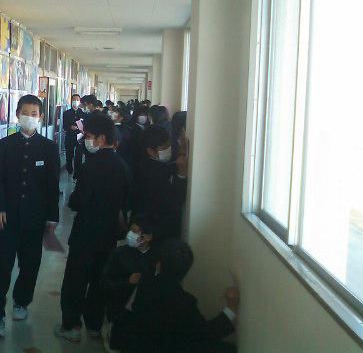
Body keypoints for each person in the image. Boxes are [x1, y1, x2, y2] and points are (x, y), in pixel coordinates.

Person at [0, 94, 61, 338]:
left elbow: (52, 185)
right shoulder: (5, 145)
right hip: (8, 218)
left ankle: (21, 301)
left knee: (30, 265)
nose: (29, 117)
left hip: (35, 219)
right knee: (4, 266)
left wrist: (52, 216)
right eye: (25, 113)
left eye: (34, 114)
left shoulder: (48, 148)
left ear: (40, 117)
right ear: (17, 115)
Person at [55, 113, 132, 343]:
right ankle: (94, 325)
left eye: (88, 136)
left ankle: (71, 326)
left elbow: (79, 200)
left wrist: (72, 200)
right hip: (108, 235)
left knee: (76, 281)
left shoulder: (91, 166)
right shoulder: (123, 166)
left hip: (85, 233)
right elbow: (126, 201)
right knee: (100, 281)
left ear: (101, 138)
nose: (86, 140)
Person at [110, 240, 239, 353]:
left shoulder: (143, 286)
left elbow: (127, 316)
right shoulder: (185, 303)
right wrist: (231, 307)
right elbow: (205, 335)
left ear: (158, 265)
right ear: (185, 271)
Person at [100, 216, 158, 328]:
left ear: (148, 237)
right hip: (119, 313)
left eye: (135, 231)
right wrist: (127, 282)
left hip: (146, 315)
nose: (130, 234)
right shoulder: (119, 254)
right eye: (130, 230)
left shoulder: (156, 258)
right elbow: (105, 282)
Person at [131, 125, 188, 238]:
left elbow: (170, 167)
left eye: (169, 145)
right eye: (163, 148)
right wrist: (181, 175)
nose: (168, 149)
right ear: (150, 150)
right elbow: (175, 201)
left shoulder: (147, 162)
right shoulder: (150, 172)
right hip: (154, 227)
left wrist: (182, 150)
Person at [73, 94, 98, 179]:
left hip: (92, 142)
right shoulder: (88, 114)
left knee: (89, 159)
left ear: (90, 104)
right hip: (84, 139)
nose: (83, 107)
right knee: (79, 156)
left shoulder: (96, 116)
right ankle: (78, 175)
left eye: (84, 105)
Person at [63, 94, 84, 176]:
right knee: (69, 154)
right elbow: (64, 126)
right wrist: (70, 127)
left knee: (79, 155)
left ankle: (77, 173)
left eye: (77, 100)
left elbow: (84, 125)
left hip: (80, 136)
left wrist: (80, 128)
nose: (76, 101)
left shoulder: (82, 113)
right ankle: (69, 170)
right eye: (74, 100)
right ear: (71, 101)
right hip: (70, 136)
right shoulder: (66, 113)